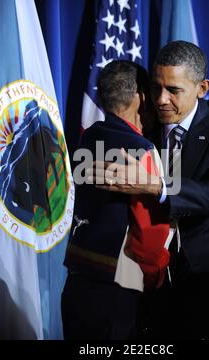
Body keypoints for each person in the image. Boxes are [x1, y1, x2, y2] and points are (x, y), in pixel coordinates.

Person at [89, 41, 209, 340]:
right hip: (155, 284)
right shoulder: (143, 125)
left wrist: (156, 185)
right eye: (156, 87)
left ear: (202, 88)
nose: (160, 100)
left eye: (173, 90)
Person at [61, 60, 170, 340]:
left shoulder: (85, 140)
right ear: (141, 98)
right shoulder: (144, 151)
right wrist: (157, 275)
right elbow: (148, 233)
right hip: (118, 294)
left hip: (75, 284)